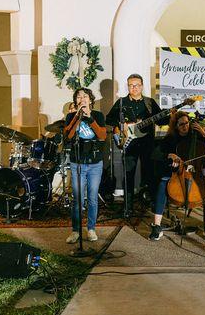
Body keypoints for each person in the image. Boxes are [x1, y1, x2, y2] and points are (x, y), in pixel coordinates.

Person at [149, 111, 205, 242]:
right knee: (163, 184)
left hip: (197, 175)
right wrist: (169, 155)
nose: (185, 126)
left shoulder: (198, 136)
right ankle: (157, 226)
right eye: (181, 125)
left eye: (187, 123)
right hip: (178, 174)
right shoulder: (170, 139)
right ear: (176, 126)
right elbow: (155, 155)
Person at [106, 74, 169, 214]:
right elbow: (109, 120)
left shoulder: (149, 103)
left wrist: (171, 114)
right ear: (127, 86)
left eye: (136, 85)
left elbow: (161, 121)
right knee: (128, 175)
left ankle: (153, 205)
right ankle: (128, 207)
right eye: (131, 85)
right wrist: (122, 126)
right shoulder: (121, 102)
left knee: (150, 174)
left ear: (141, 86)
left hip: (147, 144)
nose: (133, 88)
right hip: (129, 144)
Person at [64, 87, 107, 243]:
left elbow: (102, 136)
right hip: (78, 163)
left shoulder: (98, 115)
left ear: (90, 99)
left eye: (85, 96)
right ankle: (76, 231)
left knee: (93, 198)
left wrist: (90, 118)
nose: (82, 98)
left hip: (95, 163)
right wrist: (77, 117)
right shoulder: (71, 117)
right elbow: (68, 136)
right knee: (78, 199)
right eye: (79, 97)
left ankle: (91, 229)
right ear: (76, 101)